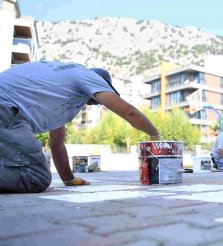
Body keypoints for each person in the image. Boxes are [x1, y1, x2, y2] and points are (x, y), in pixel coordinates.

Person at [0, 61, 161, 193]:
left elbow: (56, 145)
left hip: (7, 111)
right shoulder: (86, 76)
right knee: (35, 177)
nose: (94, 104)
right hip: (5, 109)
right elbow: (129, 113)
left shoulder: (61, 92)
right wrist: (155, 135)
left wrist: (69, 179)